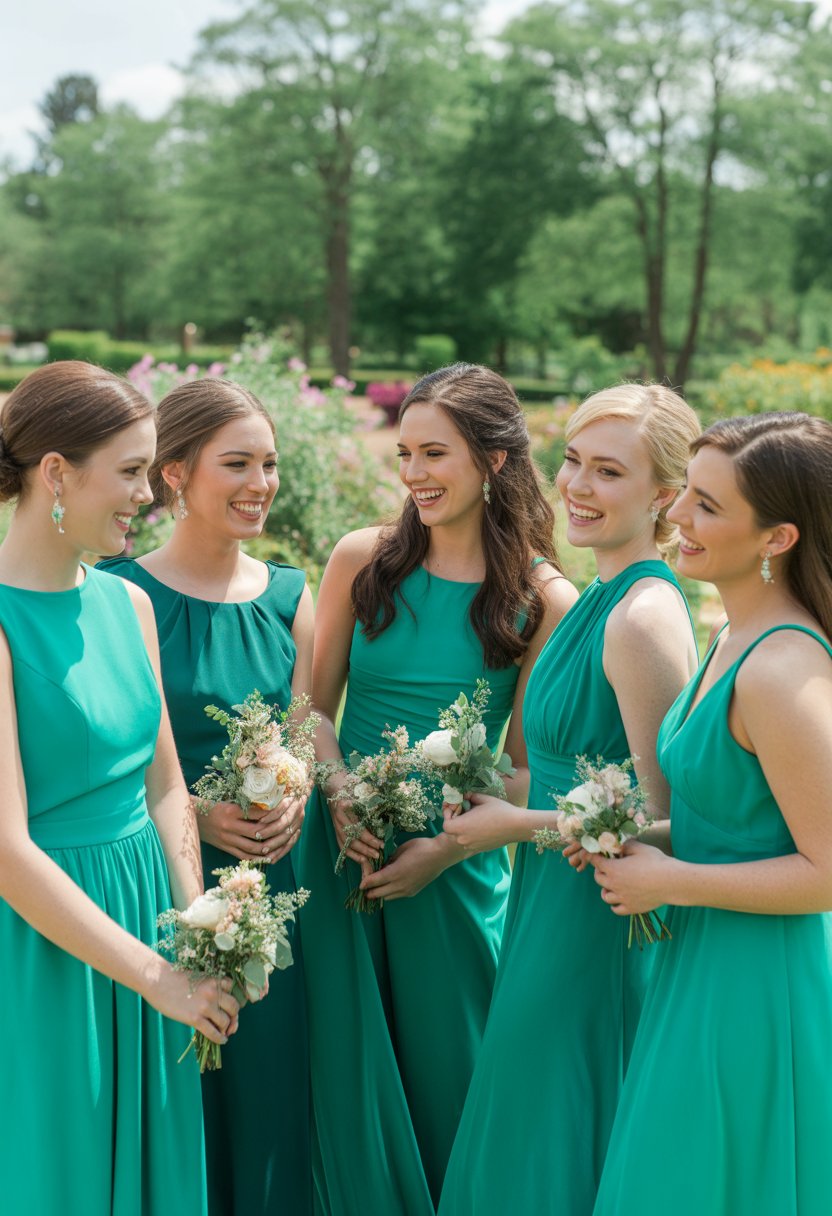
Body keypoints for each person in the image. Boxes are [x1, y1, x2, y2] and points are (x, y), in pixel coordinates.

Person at [295, 362, 576, 1214]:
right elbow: (310, 712)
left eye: (435, 453)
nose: (413, 473)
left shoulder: (541, 597)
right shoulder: (363, 558)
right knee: (337, 1080)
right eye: (405, 453)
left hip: (450, 872)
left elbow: (526, 771)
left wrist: (442, 850)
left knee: (452, 1079)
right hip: (343, 849)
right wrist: (340, 793)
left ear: (493, 460)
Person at [439, 383, 700, 1216]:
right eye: (574, 461)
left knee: (549, 1133)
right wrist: (477, 787)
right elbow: (564, 770)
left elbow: (663, 824)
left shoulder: (642, 619)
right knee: (522, 1122)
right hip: (546, 903)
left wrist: (512, 824)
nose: (578, 487)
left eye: (609, 472)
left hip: (596, 924)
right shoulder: (597, 598)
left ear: (665, 495)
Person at [0, 361, 239, 1216]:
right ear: (56, 473)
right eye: (132, 471)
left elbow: (167, 785)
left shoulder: (126, 606)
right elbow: (5, 849)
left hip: (150, 922)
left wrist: (202, 921)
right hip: (47, 944)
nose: (151, 494)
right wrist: (153, 975)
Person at [590, 412, 832, 1216]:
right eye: (685, 493)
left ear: (778, 537)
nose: (680, 518)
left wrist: (673, 879)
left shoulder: (783, 668)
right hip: (699, 964)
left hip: (755, 985)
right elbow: (739, 822)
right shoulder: (735, 632)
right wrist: (630, 839)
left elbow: (827, 873)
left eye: (708, 506)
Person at [102, 377, 314, 1216]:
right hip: (156, 896)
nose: (260, 483)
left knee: (269, 1107)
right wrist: (195, 811)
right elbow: (123, 761)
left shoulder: (295, 596)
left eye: (270, 464)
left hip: (278, 903)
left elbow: (305, 727)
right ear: (175, 473)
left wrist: (298, 792)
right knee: (174, 1109)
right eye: (237, 463)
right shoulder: (121, 596)